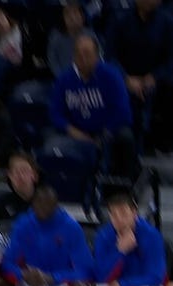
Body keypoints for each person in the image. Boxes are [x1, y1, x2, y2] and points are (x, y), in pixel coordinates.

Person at [0, 185, 92, 286]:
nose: (41, 208)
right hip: (29, 284)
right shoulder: (23, 224)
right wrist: (23, 274)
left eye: (47, 204)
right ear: (32, 204)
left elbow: (85, 270)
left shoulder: (71, 227)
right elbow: (7, 264)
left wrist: (52, 278)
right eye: (38, 203)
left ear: (56, 205)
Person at [49, 34, 137, 181]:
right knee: (49, 137)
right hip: (77, 130)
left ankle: (123, 186)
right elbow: (55, 113)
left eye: (87, 53)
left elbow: (123, 113)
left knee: (126, 138)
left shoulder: (111, 75)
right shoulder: (64, 78)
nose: (82, 57)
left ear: (97, 55)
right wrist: (73, 131)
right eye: (78, 53)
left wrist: (103, 136)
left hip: (106, 130)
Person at [106, 0, 173, 155]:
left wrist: (154, 77)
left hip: (157, 76)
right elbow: (110, 55)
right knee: (109, 81)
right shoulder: (119, 19)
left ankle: (162, 140)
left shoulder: (170, 21)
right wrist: (126, 78)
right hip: (127, 76)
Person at [0, 151, 39, 225]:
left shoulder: (48, 201)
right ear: (10, 176)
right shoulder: (2, 204)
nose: (20, 176)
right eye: (15, 172)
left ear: (34, 175)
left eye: (24, 171)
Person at [47, 1, 95, 78]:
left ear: (82, 17)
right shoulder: (56, 36)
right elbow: (52, 60)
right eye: (68, 15)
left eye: (75, 13)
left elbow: (96, 59)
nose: (73, 18)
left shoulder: (90, 35)